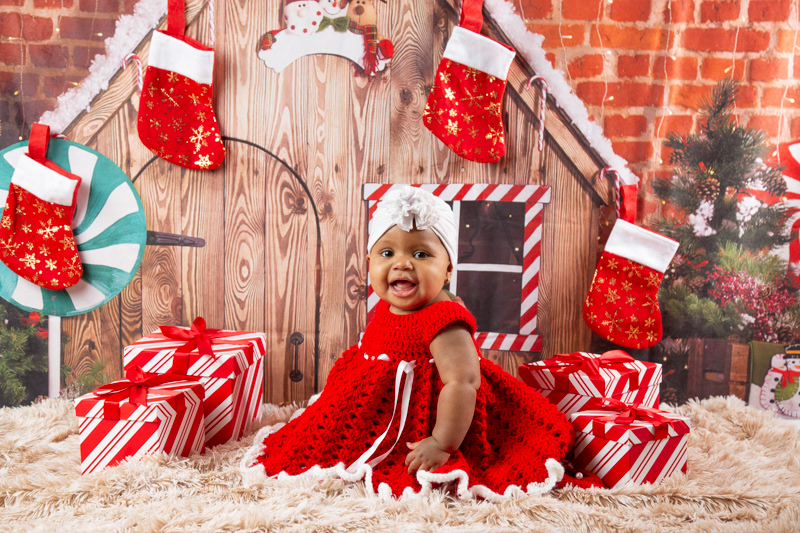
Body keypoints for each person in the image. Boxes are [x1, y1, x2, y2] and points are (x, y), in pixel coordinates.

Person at [242, 185, 599, 500]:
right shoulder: (387, 306)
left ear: (447, 270)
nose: (402, 264)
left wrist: (443, 443)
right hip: (381, 409)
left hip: (436, 415)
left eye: (421, 254)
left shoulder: (443, 320)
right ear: (369, 263)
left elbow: (463, 383)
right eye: (387, 254)